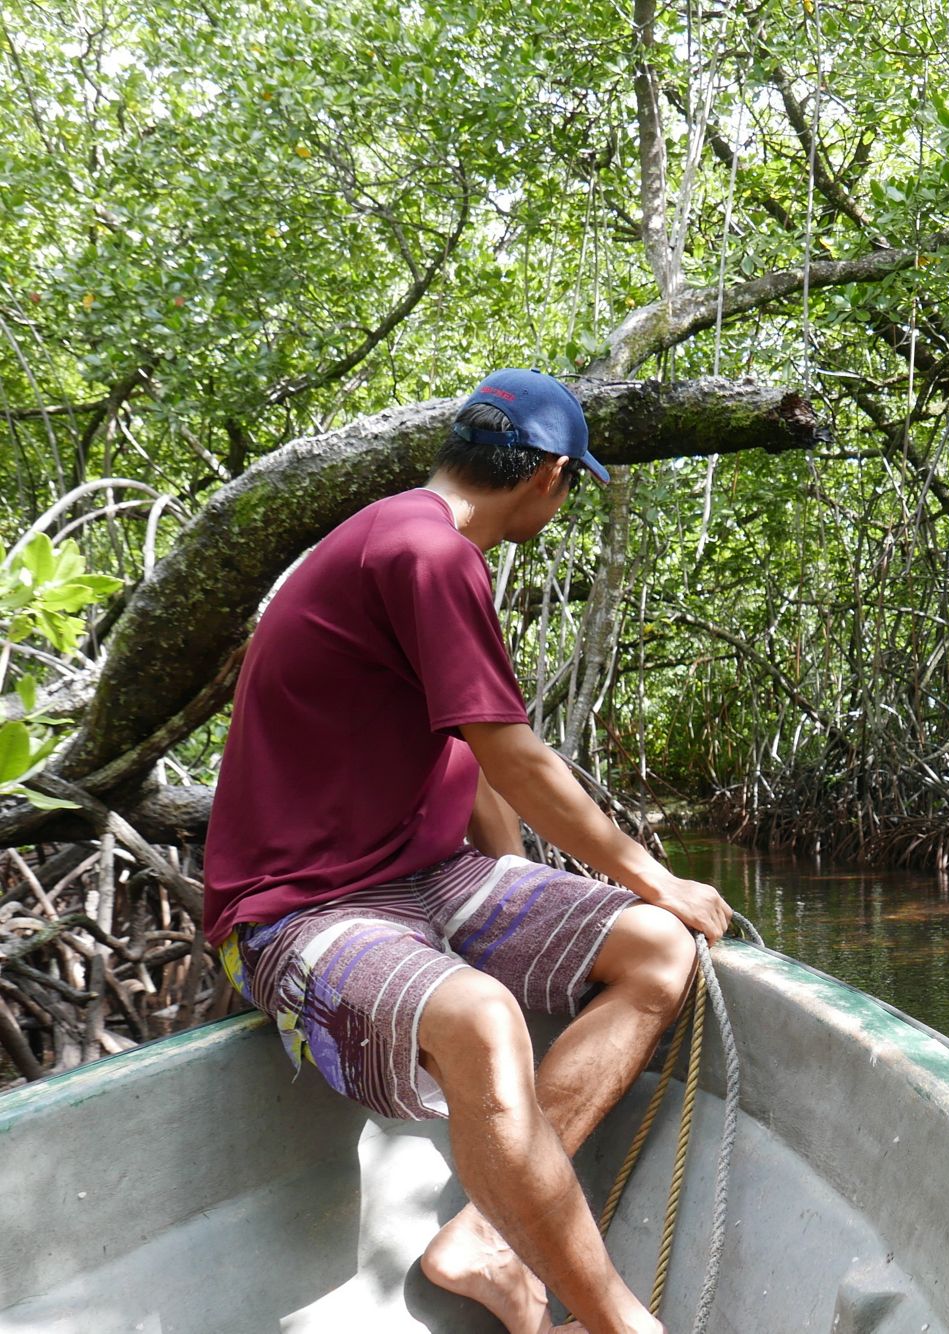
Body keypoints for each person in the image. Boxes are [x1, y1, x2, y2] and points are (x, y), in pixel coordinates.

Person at [203, 368, 725, 1334]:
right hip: (296, 909)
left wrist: (519, 876)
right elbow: (513, 752)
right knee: (486, 1019)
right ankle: (617, 1323)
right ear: (553, 478)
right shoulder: (422, 552)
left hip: (429, 877)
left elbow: (464, 746)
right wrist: (655, 874)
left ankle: (485, 1236)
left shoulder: (424, 545)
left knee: (660, 951)